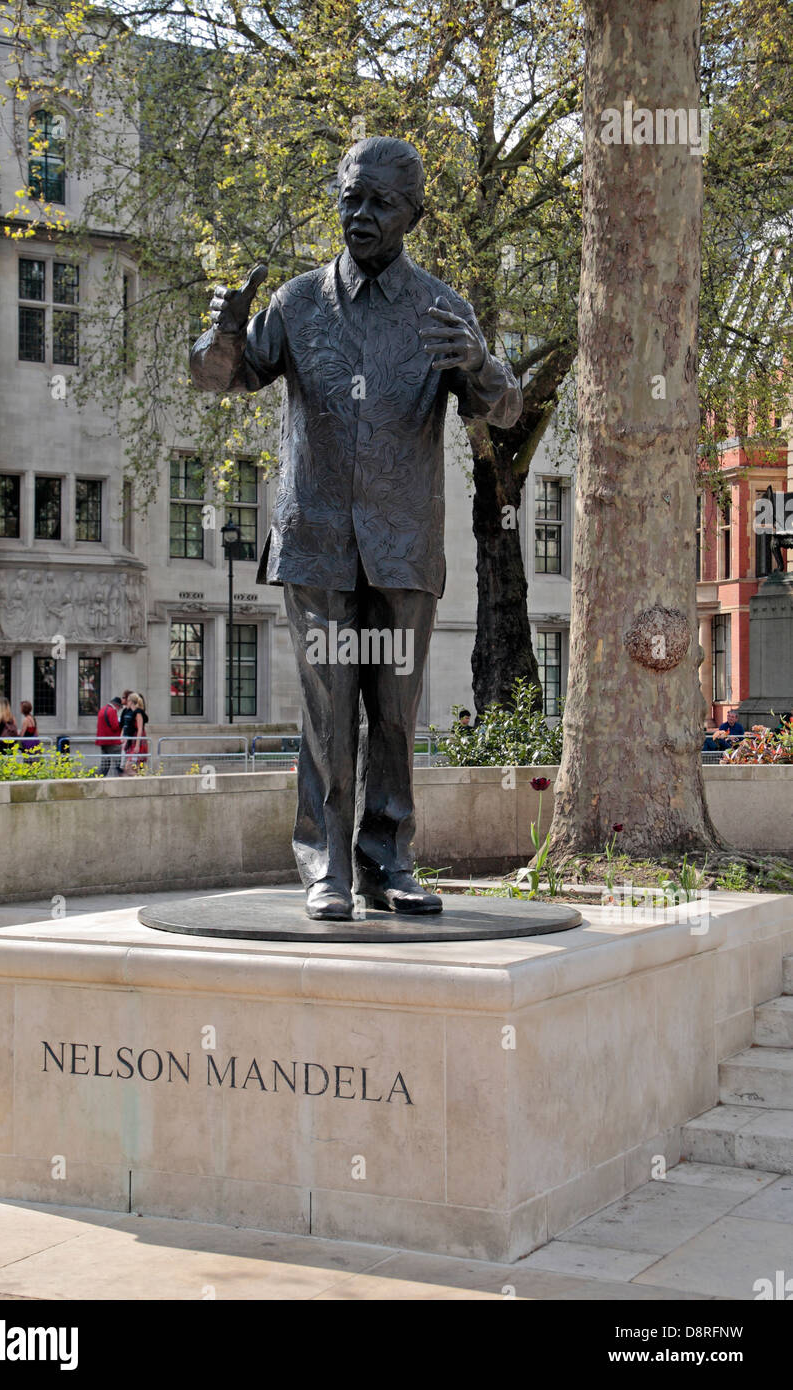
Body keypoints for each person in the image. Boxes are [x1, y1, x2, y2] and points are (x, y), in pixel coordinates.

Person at [191, 136, 521, 921]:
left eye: (379, 202)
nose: (361, 214)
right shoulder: (298, 303)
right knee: (326, 711)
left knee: (396, 717)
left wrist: (479, 364)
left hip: (403, 546)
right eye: (350, 197)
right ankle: (326, 868)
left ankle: (389, 861)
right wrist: (222, 333)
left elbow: (502, 409)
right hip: (316, 543)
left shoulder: (444, 310)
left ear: (412, 212)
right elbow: (219, 378)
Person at [96, 696, 123, 776]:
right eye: (120, 707)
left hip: (103, 741)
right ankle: (121, 780)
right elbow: (115, 726)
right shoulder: (112, 711)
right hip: (112, 741)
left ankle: (98, 779)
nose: (119, 710)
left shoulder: (102, 709)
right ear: (117, 705)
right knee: (118, 764)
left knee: (105, 765)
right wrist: (121, 724)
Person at [123, 692, 149, 773]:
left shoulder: (138, 712)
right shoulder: (134, 712)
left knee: (129, 767)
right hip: (134, 739)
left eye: (128, 701)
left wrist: (137, 745)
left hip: (138, 740)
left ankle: (141, 780)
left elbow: (140, 729)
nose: (127, 703)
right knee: (136, 767)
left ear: (131, 702)